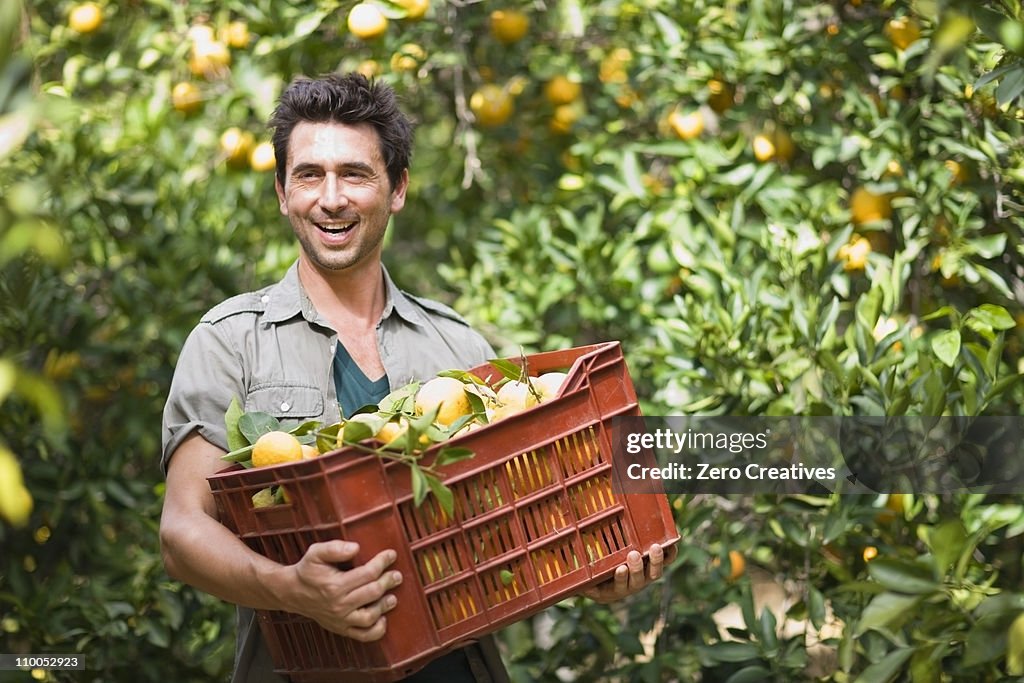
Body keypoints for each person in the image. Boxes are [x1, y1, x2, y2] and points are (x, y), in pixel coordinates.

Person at [159, 72, 672, 683]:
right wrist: (291, 588)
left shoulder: (458, 346)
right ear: (281, 192)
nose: (331, 198)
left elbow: (511, 528)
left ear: (397, 189)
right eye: (309, 175)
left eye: (355, 174)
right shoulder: (229, 340)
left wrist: (593, 568)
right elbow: (183, 531)